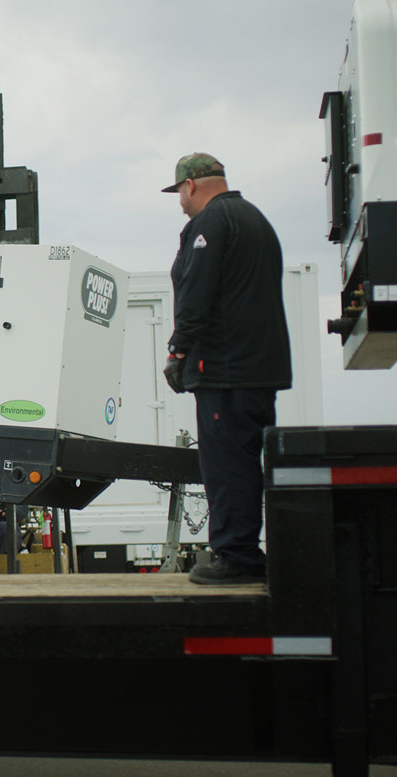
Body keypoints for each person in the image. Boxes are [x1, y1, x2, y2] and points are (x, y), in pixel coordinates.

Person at [161, 153, 292, 585]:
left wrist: (179, 350)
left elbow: (197, 292)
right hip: (258, 369)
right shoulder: (255, 219)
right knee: (248, 461)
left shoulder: (211, 222)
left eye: (179, 193)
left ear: (192, 185)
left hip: (225, 369)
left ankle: (236, 556)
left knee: (226, 463)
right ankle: (246, 550)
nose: (180, 202)